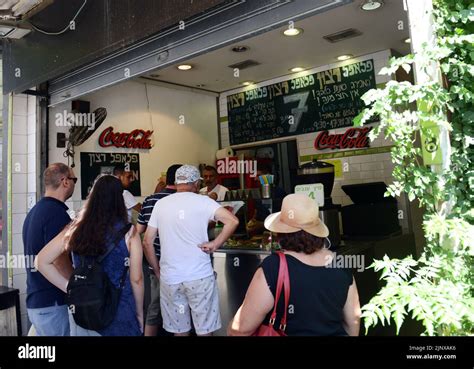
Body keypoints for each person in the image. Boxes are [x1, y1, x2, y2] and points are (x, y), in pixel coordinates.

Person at [228, 194, 361, 336]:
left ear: (282, 232)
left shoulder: (274, 266)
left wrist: (230, 328)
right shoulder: (339, 262)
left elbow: (241, 329)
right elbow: (353, 319)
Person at [36, 175, 144, 336]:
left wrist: (70, 288)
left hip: (84, 309)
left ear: (93, 196)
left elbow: (41, 261)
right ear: (119, 198)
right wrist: (140, 314)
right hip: (120, 309)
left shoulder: (75, 227)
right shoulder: (129, 232)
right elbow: (137, 279)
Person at [144, 165, 239, 336]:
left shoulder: (161, 204)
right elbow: (232, 221)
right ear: (196, 183)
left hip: (171, 278)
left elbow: (147, 241)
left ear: (176, 182)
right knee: (204, 331)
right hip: (199, 277)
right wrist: (215, 244)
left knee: (179, 331)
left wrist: (157, 270)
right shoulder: (204, 201)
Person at [22, 163, 76, 336]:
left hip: (37, 302)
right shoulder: (56, 213)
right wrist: (75, 286)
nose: (74, 183)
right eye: (74, 179)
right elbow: (59, 259)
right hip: (53, 304)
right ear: (65, 181)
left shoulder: (34, 212)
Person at [137, 164, 181, 336]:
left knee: (154, 307)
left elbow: (139, 232)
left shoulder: (150, 200)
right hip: (180, 264)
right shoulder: (185, 199)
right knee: (182, 308)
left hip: (155, 261)